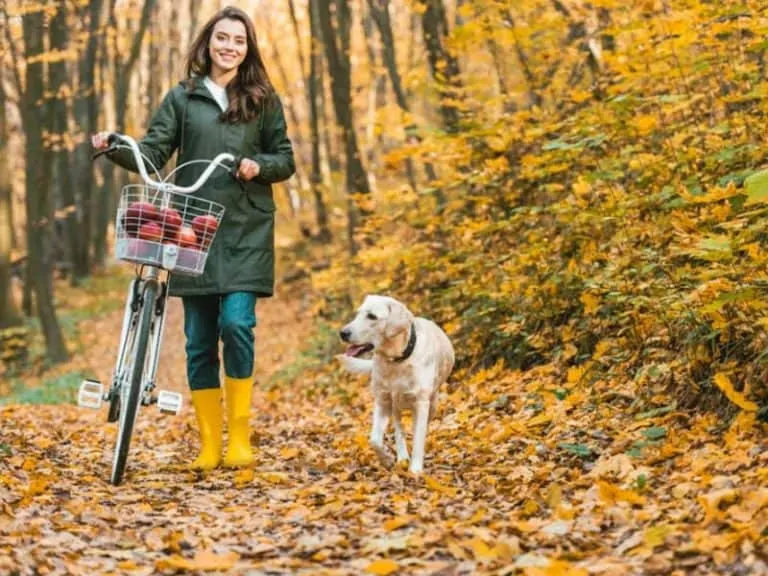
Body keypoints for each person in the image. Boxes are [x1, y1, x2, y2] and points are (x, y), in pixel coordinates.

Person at [92, 6, 296, 470]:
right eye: (222, 38)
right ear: (207, 43)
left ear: (248, 49)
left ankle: (239, 438)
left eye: (239, 41)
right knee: (199, 340)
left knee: (237, 325)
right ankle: (209, 444)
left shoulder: (263, 99)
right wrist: (116, 145)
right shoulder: (183, 98)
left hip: (246, 227)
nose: (230, 47)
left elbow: (284, 157)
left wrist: (258, 166)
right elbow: (152, 152)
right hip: (192, 230)